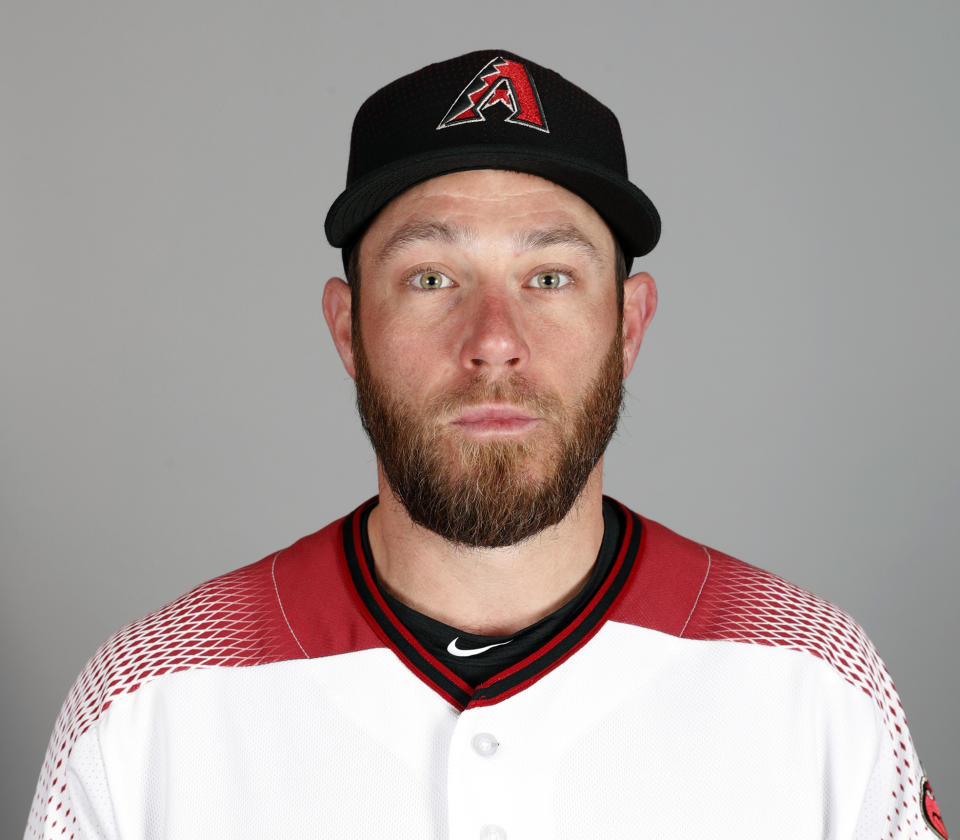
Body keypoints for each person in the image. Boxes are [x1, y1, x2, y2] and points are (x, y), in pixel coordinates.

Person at [25, 49, 948, 840]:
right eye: (432, 276)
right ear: (349, 329)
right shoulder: (151, 699)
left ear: (629, 325)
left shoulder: (814, 682)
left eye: (550, 276)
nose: (495, 337)